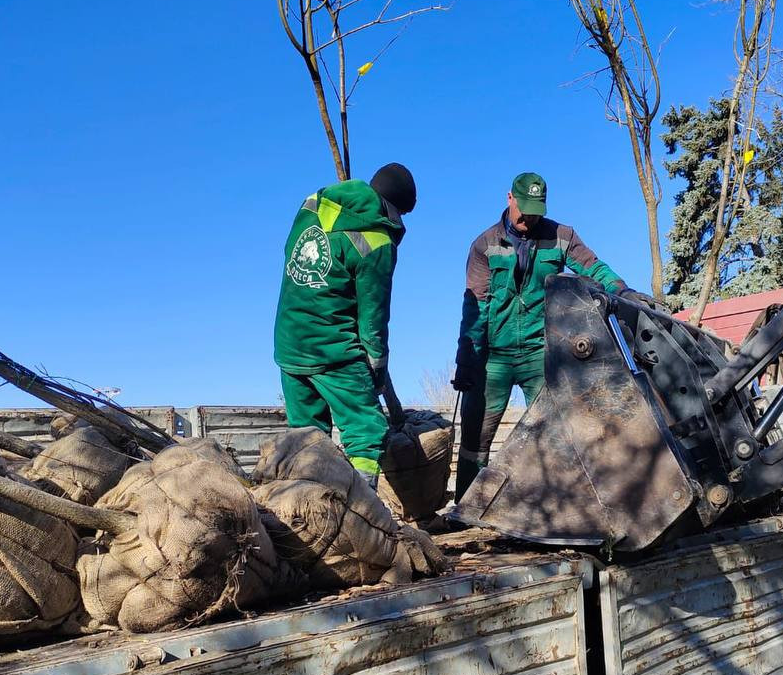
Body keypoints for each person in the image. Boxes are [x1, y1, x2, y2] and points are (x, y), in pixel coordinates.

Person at [451, 171, 654, 498]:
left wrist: (622, 290)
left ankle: (558, 505)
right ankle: (464, 508)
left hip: (539, 352)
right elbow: (475, 305)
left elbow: (593, 267)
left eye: (536, 211)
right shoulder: (485, 245)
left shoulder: (561, 236)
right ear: (510, 198)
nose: (528, 218)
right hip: (494, 357)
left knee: (555, 433)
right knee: (476, 437)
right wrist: (467, 359)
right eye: (523, 209)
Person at [273, 163, 416, 487]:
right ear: (395, 209)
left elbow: (289, 254)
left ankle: (308, 504)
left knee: (306, 439)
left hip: (289, 343)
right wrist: (377, 368)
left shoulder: (312, 206)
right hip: (333, 349)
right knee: (367, 430)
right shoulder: (377, 242)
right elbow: (373, 318)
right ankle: (365, 508)